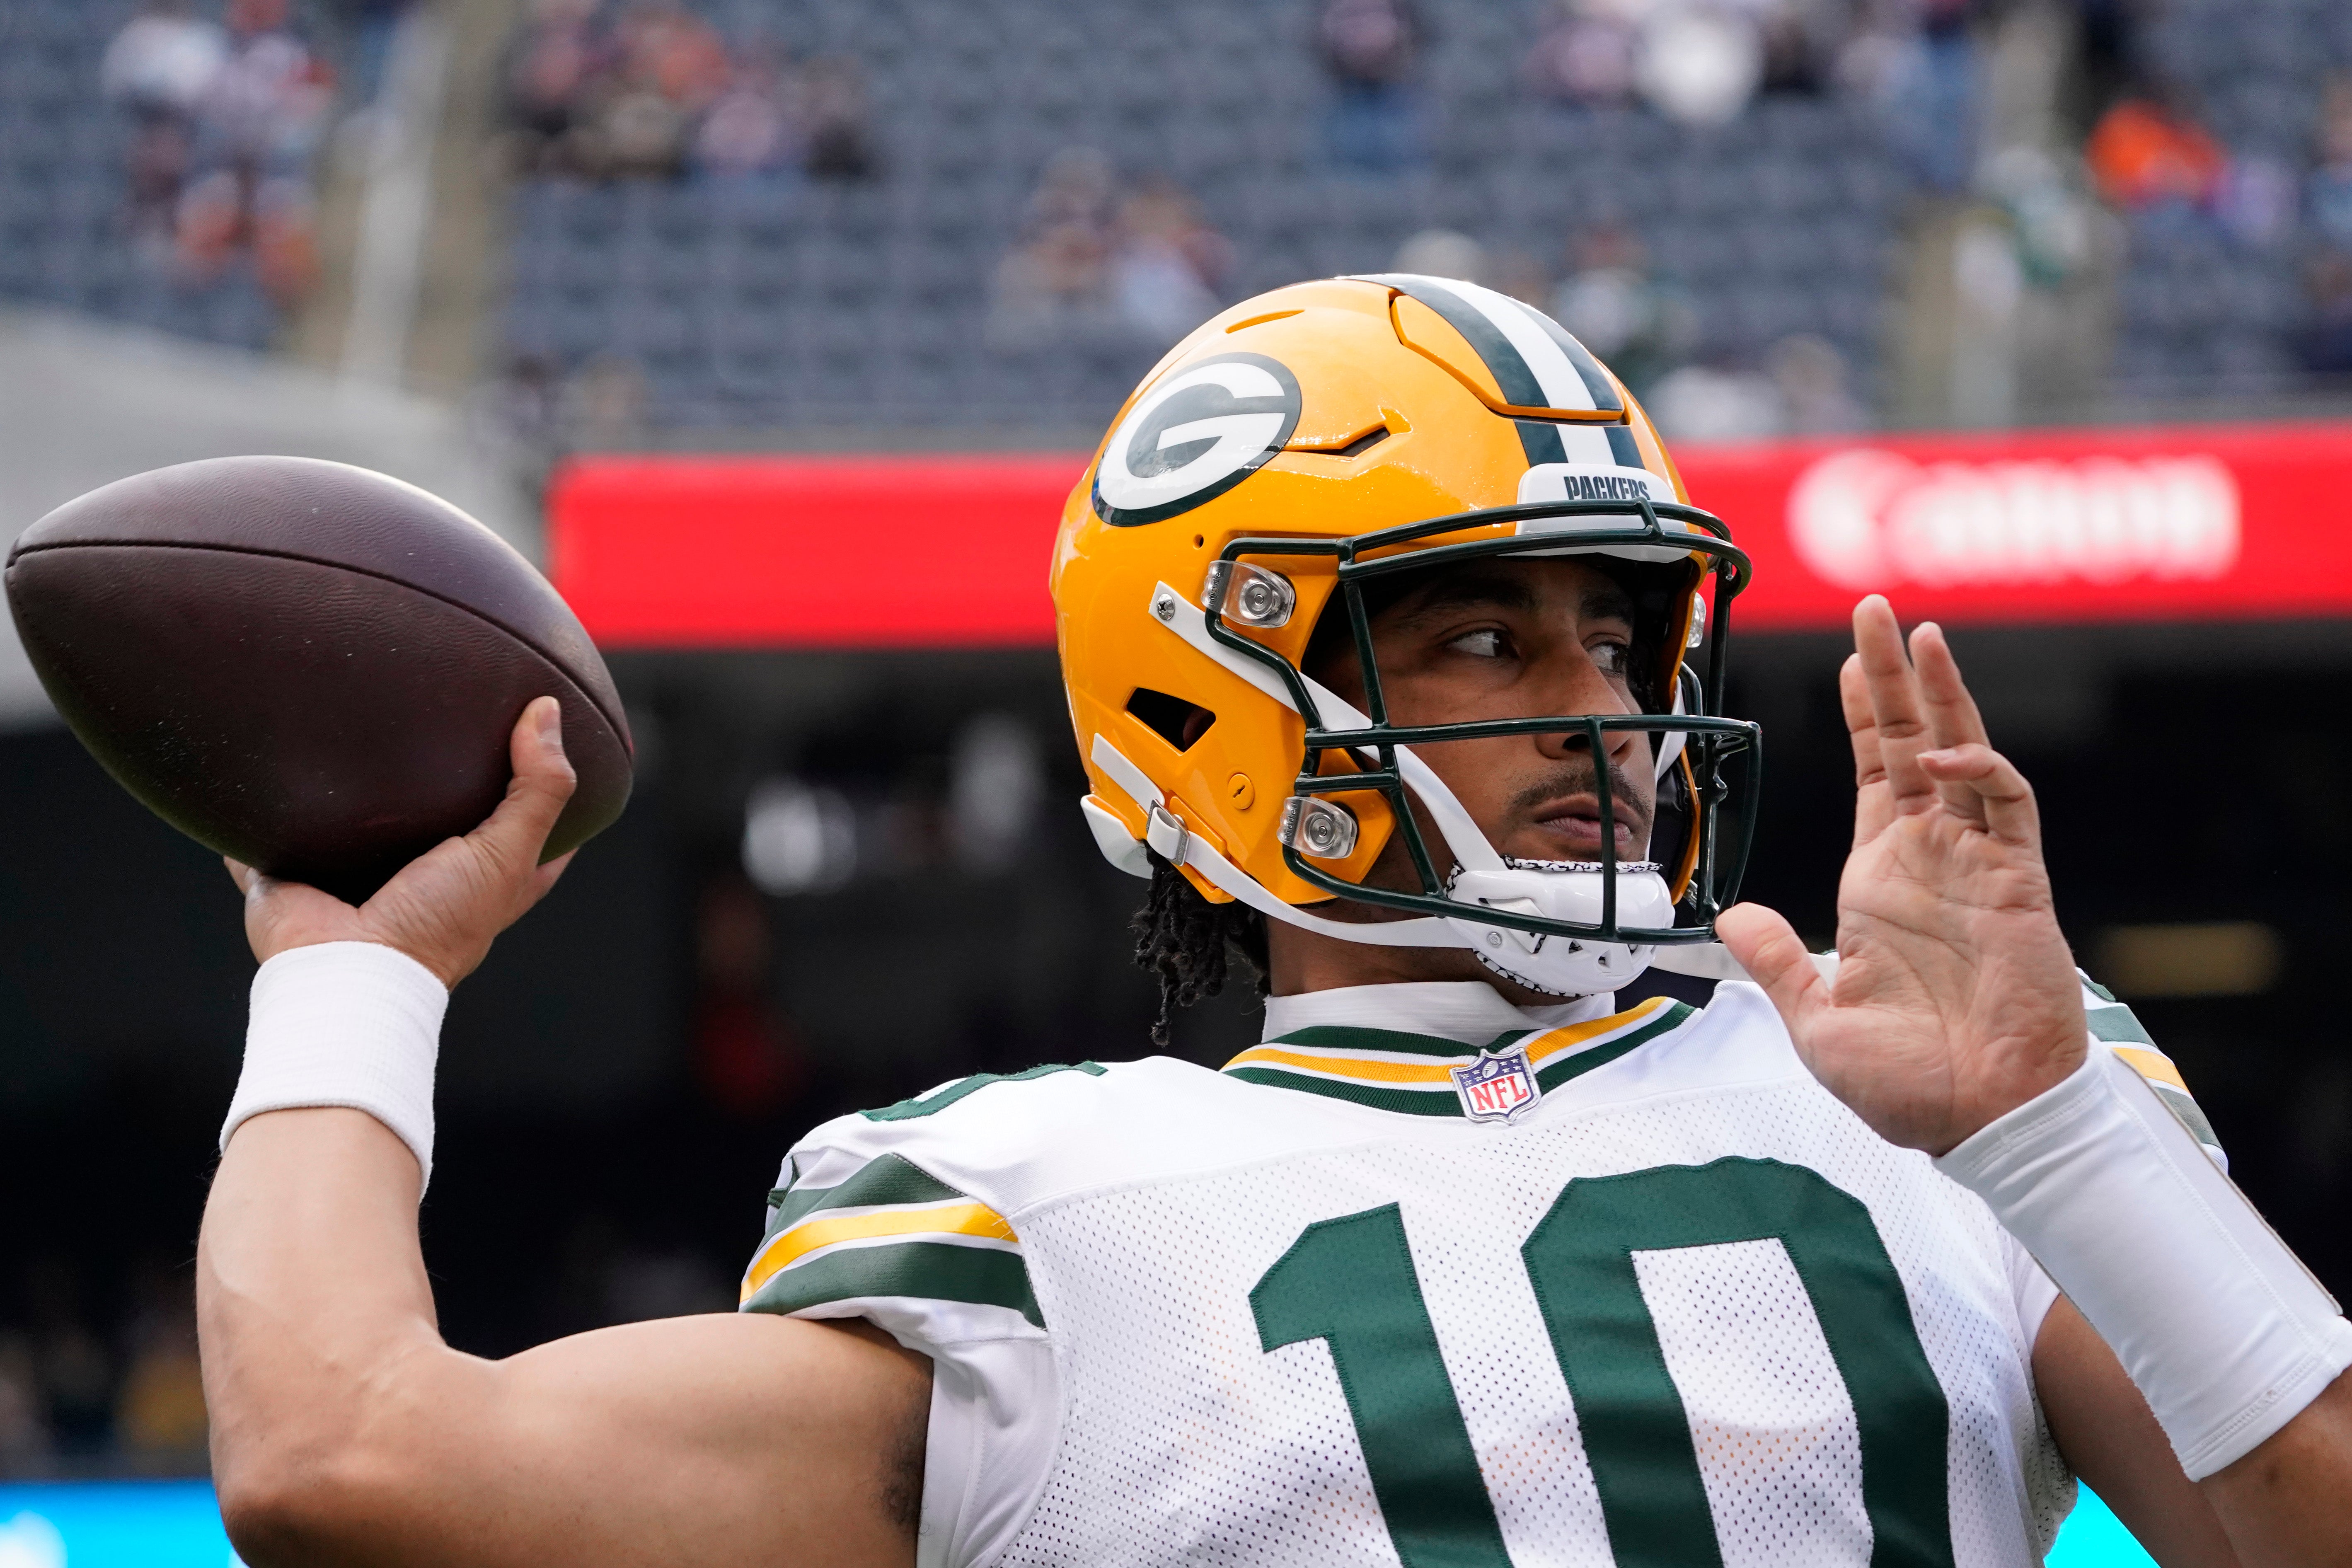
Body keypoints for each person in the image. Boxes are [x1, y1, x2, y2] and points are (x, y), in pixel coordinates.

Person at [197, 276, 2352, 1565]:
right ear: (1209, 706)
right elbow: (343, 1458)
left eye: (1617, 630)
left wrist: (2054, 1131)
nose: (1601, 706)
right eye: (1487, 641)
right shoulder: (1025, 1211)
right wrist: (351, 982)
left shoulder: (1940, 1100)